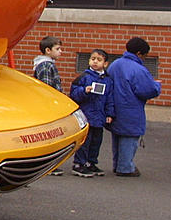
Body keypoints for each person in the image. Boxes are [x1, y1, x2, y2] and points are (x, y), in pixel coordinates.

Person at [106, 37, 161, 177]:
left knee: (117, 137)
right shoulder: (138, 69)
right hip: (131, 109)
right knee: (129, 138)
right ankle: (125, 167)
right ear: (139, 53)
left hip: (114, 107)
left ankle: (117, 164)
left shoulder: (115, 64)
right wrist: (157, 85)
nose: (145, 58)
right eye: (144, 55)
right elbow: (147, 90)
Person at [68, 49, 113, 177]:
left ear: (105, 64)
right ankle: (79, 164)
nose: (95, 62)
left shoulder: (108, 80)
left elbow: (110, 98)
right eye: (93, 59)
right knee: (85, 142)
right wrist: (84, 91)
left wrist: (110, 114)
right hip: (87, 114)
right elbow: (74, 95)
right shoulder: (84, 77)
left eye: (99, 60)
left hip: (99, 116)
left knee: (96, 141)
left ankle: (91, 162)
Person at [33, 35, 64, 174]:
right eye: (57, 49)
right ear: (48, 50)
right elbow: (46, 88)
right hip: (48, 107)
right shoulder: (45, 66)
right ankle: (48, 165)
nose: (60, 51)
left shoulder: (47, 64)